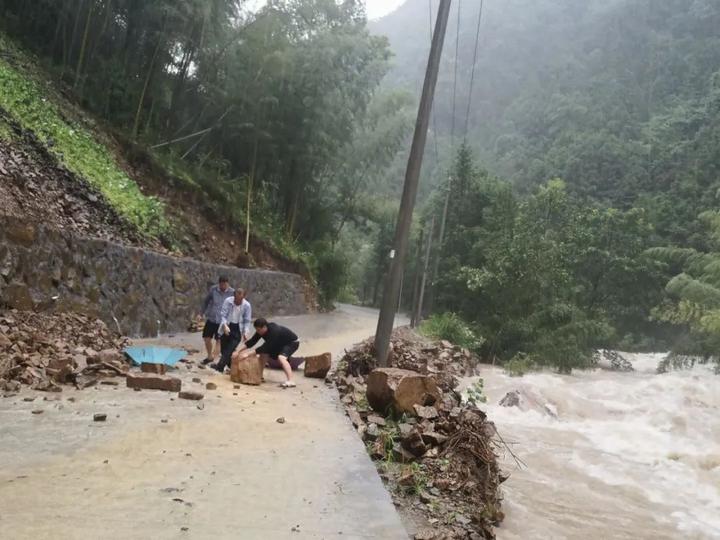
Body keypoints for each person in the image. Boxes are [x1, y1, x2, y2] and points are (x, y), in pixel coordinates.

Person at [233, 318, 299, 388]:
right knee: (264, 353)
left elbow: (265, 347)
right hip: (278, 344)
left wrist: (247, 354)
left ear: (264, 327)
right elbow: (252, 341)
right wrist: (238, 351)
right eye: (256, 330)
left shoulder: (274, 331)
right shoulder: (260, 330)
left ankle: (291, 380)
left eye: (258, 330)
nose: (257, 332)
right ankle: (260, 376)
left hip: (292, 343)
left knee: (281, 357)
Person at [211, 289, 252, 373]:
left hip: (238, 328)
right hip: (227, 326)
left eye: (240, 299)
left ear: (244, 297)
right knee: (224, 349)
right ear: (234, 296)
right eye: (236, 298)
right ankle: (231, 367)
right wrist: (225, 325)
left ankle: (219, 368)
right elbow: (223, 315)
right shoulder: (228, 301)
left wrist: (245, 332)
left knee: (229, 349)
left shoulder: (247, 305)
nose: (237, 301)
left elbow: (247, 320)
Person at [200, 276, 234, 365]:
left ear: (227, 283)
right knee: (206, 338)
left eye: (225, 285)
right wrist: (201, 313)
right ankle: (209, 356)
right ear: (219, 283)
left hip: (223, 321)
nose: (223, 287)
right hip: (212, 318)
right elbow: (206, 301)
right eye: (221, 285)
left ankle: (214, 360)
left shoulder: (232, 292)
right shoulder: (213, 290)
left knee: (219, 340)